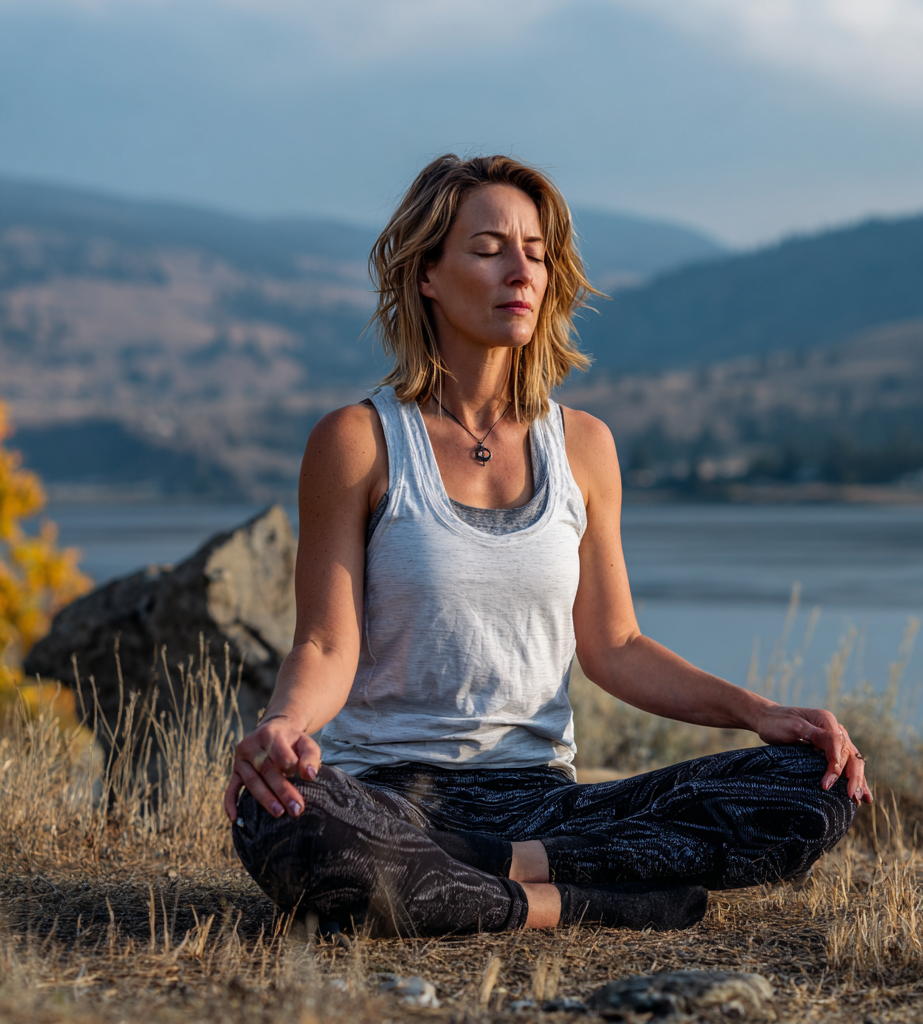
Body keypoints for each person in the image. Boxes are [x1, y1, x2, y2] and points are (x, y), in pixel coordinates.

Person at [225, 154, 870, 938]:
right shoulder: (359, 441)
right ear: (426, 273)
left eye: (536, 251)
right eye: (489, 248)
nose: (520, 270)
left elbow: (617, 645)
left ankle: (471, 874)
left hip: (547, 802)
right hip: (394, 797)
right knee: (285, 819)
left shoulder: (585, 446)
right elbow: (328, 642)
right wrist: (287, 727)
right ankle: (585, 898)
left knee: (813, 787)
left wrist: (760, 713)